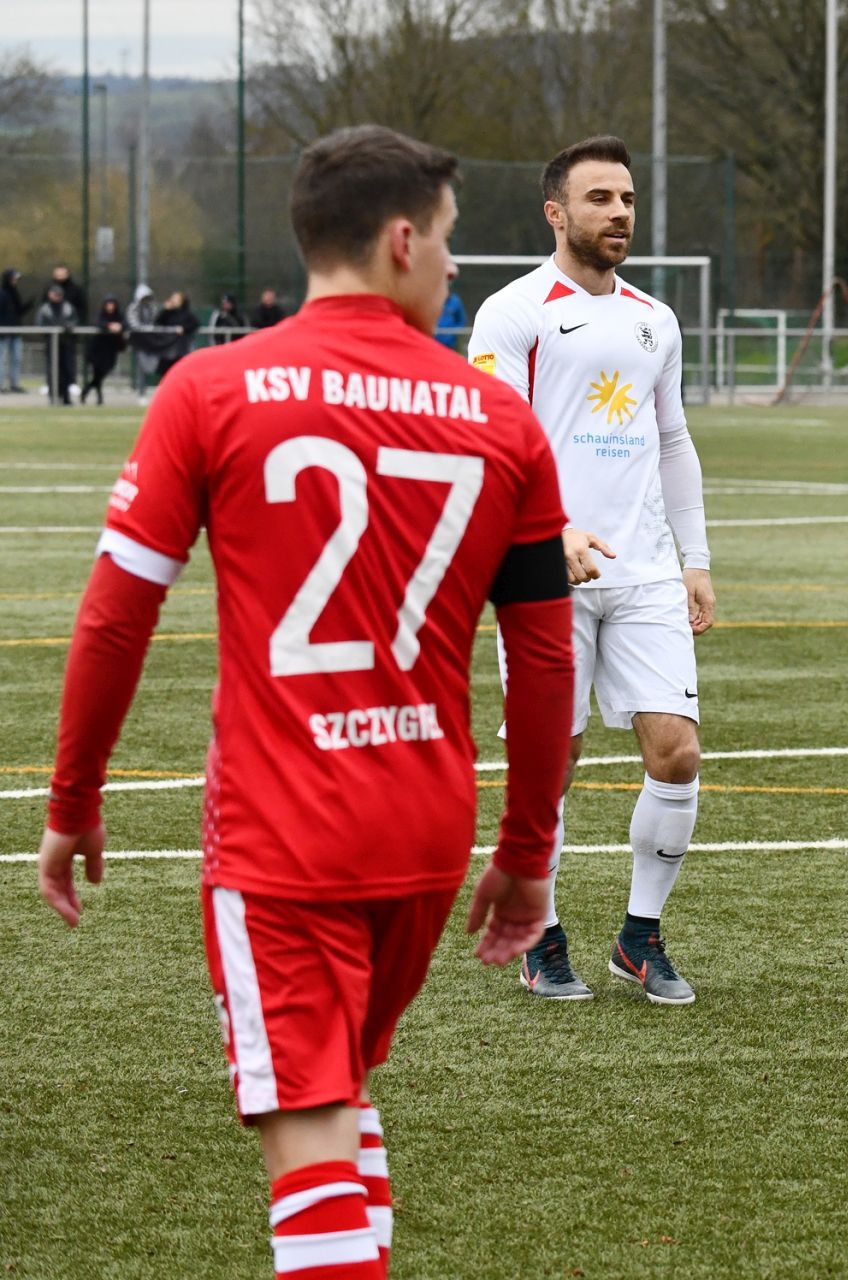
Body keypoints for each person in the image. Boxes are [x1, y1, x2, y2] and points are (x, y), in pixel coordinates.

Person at [36, 123, 574, 1280]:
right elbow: (542, 660)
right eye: (444, 241)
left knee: (310, 1124)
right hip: (427, 831)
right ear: (396, 240)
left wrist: (73, 793)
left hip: (286, 835)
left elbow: (114, 615)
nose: (450, 267)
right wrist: (527, 848)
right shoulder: (501, 421)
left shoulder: (211, 390)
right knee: (335, 1096)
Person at [467, 134, 715, 1005]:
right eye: (600, 198)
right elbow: (494, 439)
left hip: (644, 571)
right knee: (550, 764)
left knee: (677, 754)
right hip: (541, 571)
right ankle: (539, 929)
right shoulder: (513, 311)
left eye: (628, 199)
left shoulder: (655, 318)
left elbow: (674, 440)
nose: (619, 213)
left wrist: (697, 560)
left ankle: (639, 938)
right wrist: (550, 526)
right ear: (556, 212)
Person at [33, 284, 78, 405]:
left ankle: (66, 396)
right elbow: (40, 324)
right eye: (54, 294)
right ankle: (53, 396)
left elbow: (74, 321)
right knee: (52, 370)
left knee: (67, 370)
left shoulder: (68, 308)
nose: (56, 296)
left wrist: (68, 327)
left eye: (58, 294)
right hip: (51, 343)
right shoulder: (44, 309)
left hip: (66, 343)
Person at [83, 297, 128, 404]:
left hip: (110, 350)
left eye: (112, 304)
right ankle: (99, 398)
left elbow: (126, 325)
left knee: (101, 375)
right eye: (108, 304)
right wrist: (109, 326)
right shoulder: (101, 315)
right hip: (98, 350)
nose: (110, 307)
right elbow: (98, 323)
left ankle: (86, 391)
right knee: (97, 374)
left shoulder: (119, 316)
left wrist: (119, 326)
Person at [128, 285, 166, 402]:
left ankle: (161, 390)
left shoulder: (152, 308)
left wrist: (152, 329)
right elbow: (133, 323)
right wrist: (144, 329)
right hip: (140, 342)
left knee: (157, 365)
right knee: (141, 368)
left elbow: (156, 321)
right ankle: (141, 393)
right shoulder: (133, 308)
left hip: (152, 341)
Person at [155, 291, 200, 380]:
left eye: (177, 299)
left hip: (181, 347)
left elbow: (195, 324)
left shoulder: (187, 314)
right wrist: (165, 310)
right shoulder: (168, 313)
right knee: (166, 371)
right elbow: (158, 322)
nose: (174, 301)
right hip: (168, 346)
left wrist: (184, 329)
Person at [0, 268, 26, 393]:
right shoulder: (3, 294)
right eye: (13, 278)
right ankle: (1, 384)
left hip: (15, 331)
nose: (15, 281)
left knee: (17, 358)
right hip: (4, 332)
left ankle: (14, 383)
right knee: (2, 359)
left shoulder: (15, 294)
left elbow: (19, 311)